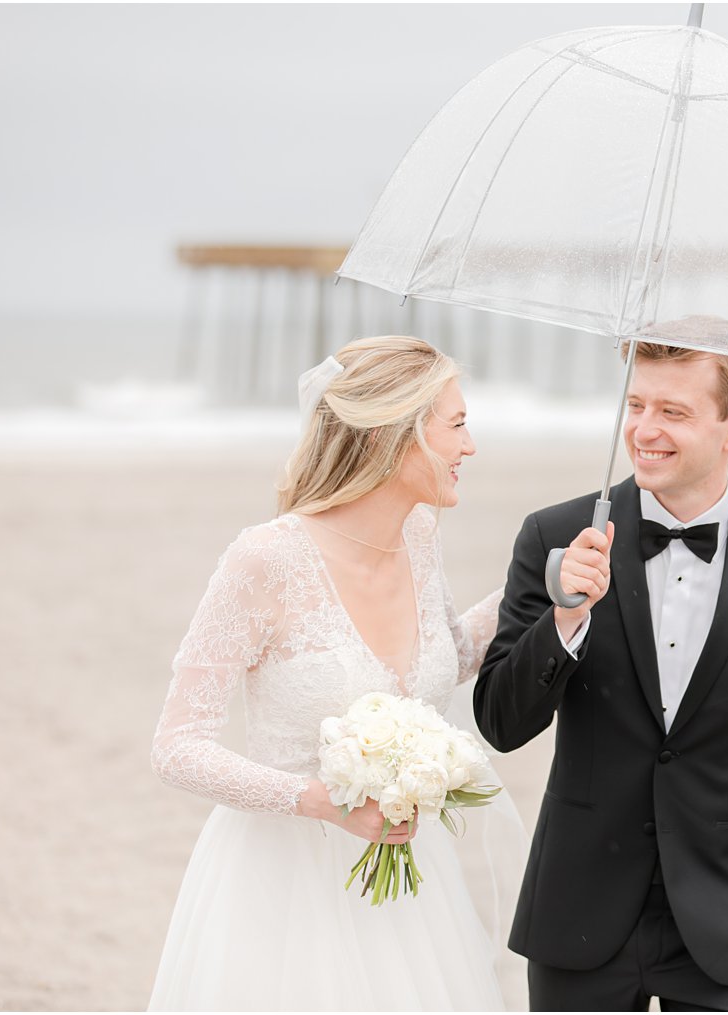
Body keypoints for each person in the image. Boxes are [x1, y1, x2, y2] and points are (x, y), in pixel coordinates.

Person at [475, 317, 728, 1013]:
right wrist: (564, 619)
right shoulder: (554, 536)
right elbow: (500, 721)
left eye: (673, 411)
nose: (644, 429)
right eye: (637, 405)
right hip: (578, 913)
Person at [149, 335, 515, 1011]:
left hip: (409, 892)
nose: (470, 447)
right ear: (400, 432)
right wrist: (323, 801)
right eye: (457, 425)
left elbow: (446, 657)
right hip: (280, 889)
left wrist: (539, 587)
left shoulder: (420, 535)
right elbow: (176, 746)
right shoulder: (265, 559)